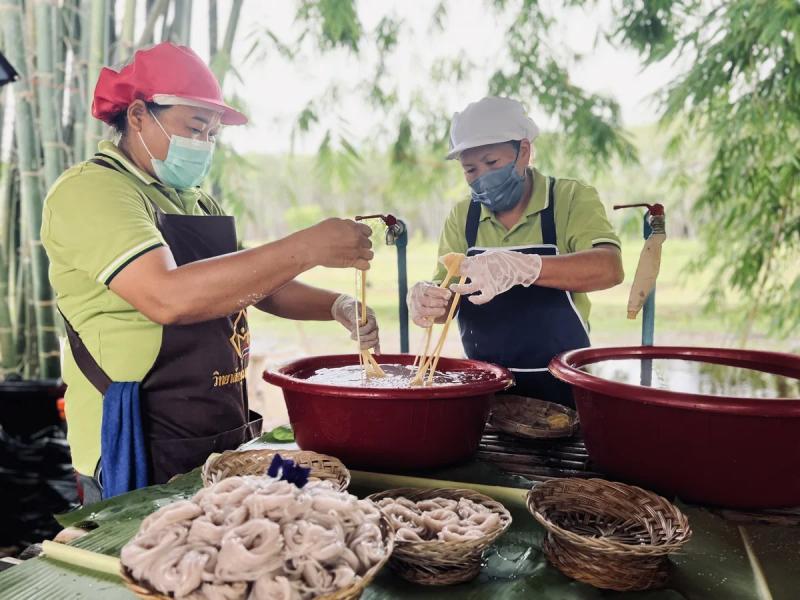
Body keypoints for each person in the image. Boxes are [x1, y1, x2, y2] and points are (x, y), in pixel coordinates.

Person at [41, 43, 378, 502]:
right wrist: (304, 246)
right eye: (195, 127)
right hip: (139, 435)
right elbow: (167, 298)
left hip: (217, 424)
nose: (203, 144)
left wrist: (336, 306)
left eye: (212, 134)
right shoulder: (94, 191)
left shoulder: (196, 201)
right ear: (138, 115)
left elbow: (257, 287)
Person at [408, 97, 624, 407]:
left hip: (563, 385)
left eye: (492, 163)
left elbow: (609, 269)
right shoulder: (463, 216)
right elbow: (447, 300)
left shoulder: (569, 198)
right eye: (470, 169)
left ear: (524, 151)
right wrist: (426, 300)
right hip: (484, 386)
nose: (481, 176)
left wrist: (525, 268)